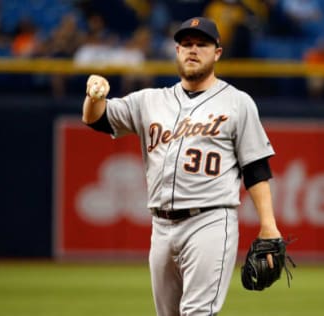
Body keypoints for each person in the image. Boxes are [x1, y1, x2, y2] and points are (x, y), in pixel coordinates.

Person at [81, 17, 282, 315]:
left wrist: (269, 225)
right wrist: (93, 96)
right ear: (176, 51)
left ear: (217, 53)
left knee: (198, 312)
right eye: (186, 44)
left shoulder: (238, 103)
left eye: (202, 44)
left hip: (210, 220)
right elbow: (96, 119)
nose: (193, 50)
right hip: (160, 226)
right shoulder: (149, 100)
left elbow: (256, 169)